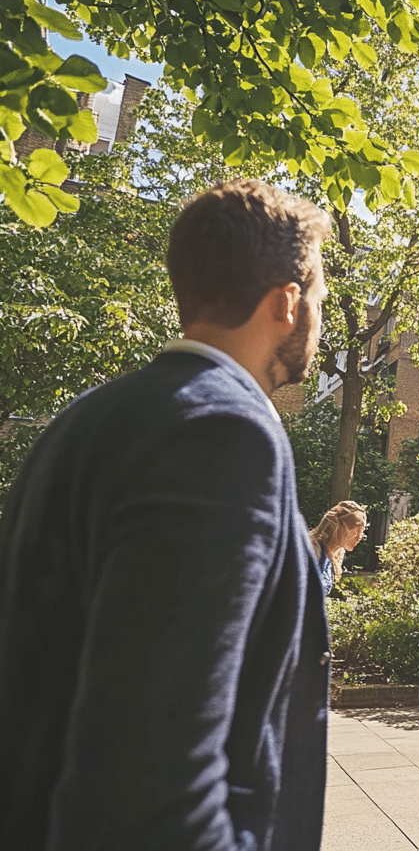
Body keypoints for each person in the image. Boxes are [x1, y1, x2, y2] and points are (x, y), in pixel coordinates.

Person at [0, 179, 334, 851]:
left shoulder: (84, 420)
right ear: (289, 303)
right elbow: (148, 792)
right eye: (319, 300)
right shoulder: (222, 433)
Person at [310, 500, 367, 595]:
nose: (358, 537)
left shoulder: (337, 554)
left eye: (361, 531)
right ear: (339, 526)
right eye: (355, 529)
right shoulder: (313, 549)